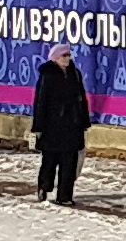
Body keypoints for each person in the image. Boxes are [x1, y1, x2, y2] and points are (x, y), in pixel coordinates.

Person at [31, 44, 93, 205]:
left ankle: (65, 196)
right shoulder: (48, 74)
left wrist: (84, 121)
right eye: (63, 56)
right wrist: (38, 126)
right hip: (52, 126)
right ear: (55, 58)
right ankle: (44, 187)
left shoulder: (75, 74)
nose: (67, 58)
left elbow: (81, 99)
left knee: (69, 162)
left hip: (72, 125)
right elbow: (41, 102)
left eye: (68, 55)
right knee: (50, 160)